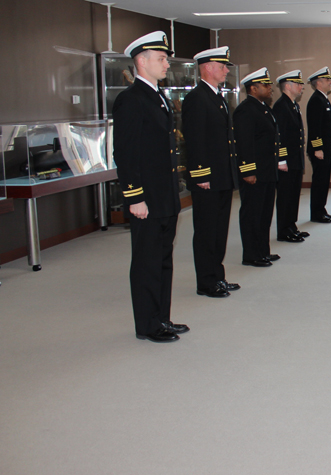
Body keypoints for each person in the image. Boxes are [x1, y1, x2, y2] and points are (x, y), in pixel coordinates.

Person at [112, 31, 188, 342]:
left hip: (165, 195)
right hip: (147, 198)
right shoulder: (130, 99)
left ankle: (162, 317)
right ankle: (147, 324)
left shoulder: (159, 96)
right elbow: (126, 153)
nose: (167, 62)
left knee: (163, 260)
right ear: (141, 61)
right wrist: (135, 196)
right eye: (161, 58)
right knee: (146, 262)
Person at [182, 46, 241, 299]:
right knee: (207, 231)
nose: (227, 70)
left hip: (222, 176)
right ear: (207, 67)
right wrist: (201, 175)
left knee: (219, 230)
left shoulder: (217, 96)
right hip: (207, 178)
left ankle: (218, 276)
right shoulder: (197, 98)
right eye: (222, 66)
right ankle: (206, 282)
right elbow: (194, 141)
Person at [234, 67, 282, 267]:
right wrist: (248, 171)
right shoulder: (245, 110)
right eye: (266, 85)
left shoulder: (263, 108)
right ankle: (251, 254)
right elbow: (243, 144)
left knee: (264, 213)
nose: (270, 88)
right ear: (253, 88)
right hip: (255, 173)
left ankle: (263, 250)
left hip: (267, 170)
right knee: (252, 214)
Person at [273, 69, 310, 243]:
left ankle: (291, 226)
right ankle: (284, 230)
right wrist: (281, 159)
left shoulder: (294, 105)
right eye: (298, 83)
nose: (301, 86)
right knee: (285, 195)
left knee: (294, 194)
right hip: (286, 160)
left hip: (295, 158)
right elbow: (279, 136)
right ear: (287, 86)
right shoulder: (281, 106)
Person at [306, 67, 331, 222]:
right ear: (318, 83)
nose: (330, 82)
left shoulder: (323, 98)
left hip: (325, 148)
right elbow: (314, 128)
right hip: (320, 150)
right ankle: (316, 213)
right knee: (319, 181)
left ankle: (321, 209)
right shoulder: (315, 101)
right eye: (327, 80)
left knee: (324, 181)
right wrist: (317, 148)